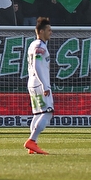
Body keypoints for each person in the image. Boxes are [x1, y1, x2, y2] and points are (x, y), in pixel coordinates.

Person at [24, 17, 54, 155]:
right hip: (39, 83)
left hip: (33, 82)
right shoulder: (39, 46)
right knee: (47, 113)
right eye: (48, 30)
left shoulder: (33, 44)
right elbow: (37, 65)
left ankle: (32, 146)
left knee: (37, 114)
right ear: (41, 31)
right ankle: (32, 141)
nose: (51, 32)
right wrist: (45, 85)